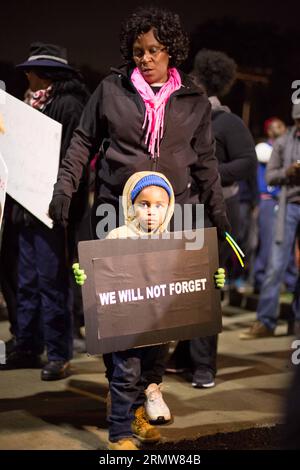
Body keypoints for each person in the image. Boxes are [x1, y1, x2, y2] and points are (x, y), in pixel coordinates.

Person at [48, 6, 230, 413]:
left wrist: (218, 213)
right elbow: (82, 141)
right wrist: (65, 188)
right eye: (137, 51)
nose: (144, 59)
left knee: (163, 312)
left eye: (153, 51)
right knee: (118, 307)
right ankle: (119, 385)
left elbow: (205, 162)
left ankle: (151, 386)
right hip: (117, 209)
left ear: (171, 51)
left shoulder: (194, 100)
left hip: (174, 212)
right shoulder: (111, 90)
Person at [73, 170, 226, 450]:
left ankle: (137, 417)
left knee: (151, 375)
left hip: (159, 329)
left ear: (169, 208)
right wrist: (85, 275)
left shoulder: (176, 241)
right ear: (131, 205)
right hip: (125, 330)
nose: (152, 212)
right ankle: (119, 434)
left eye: (159, 205)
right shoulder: (117, 237)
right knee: (126, 376)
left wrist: (211, 281)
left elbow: (190, 277)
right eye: (144, 204)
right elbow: (99, 274)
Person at [166, 49, 257, 387]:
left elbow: (247, 163)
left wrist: (209, 173)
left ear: (206, 85)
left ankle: (205, 366)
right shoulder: (184, 118)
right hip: (184, 214)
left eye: (194, 82)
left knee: (205, 290)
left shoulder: (228, 122)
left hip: (213, 214)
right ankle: (185, 355)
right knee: (184, 287)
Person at [0, 42, 90, 380]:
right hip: (24, 208)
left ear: (44, 74)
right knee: (27, 281)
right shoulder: (32, 105)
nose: (25, 74)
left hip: (51, 210)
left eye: (30, 70)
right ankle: (27, 344)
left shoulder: (68, 105)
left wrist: (61, 204)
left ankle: (58, 352)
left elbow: (72, 160)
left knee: (52, 283)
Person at [240, 103, 300, 340]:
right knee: (275, 264)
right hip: (288, 206)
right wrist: (289, 172)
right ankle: (266, 321)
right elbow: (270, 175)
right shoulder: (284, 142)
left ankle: (296, 323)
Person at [253, 118, 297, 294]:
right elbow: (270, 156)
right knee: (268, 244)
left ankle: (290, 281)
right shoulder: (264, 148)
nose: (281, 129)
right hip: (268, 201)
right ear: (269, 131)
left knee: (288, 246)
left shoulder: (287, 146)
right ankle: (259, 281)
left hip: (284, 201)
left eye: (282, 125)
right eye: (276, 127)